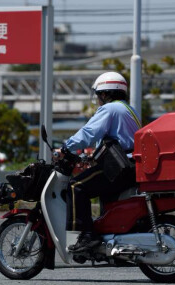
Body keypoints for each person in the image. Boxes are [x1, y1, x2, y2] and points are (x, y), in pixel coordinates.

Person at [55, 72, 141, 253]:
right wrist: (91, 157)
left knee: (76, 186)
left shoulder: (110, 109)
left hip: (121, 168)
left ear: (104, 93)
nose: (98, 99)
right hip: (131, 166)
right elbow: (116, 140)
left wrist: (65, 148)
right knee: (106, 200)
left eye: (98, 95)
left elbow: (88, 133)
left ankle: (86, 237)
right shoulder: (128, 109)